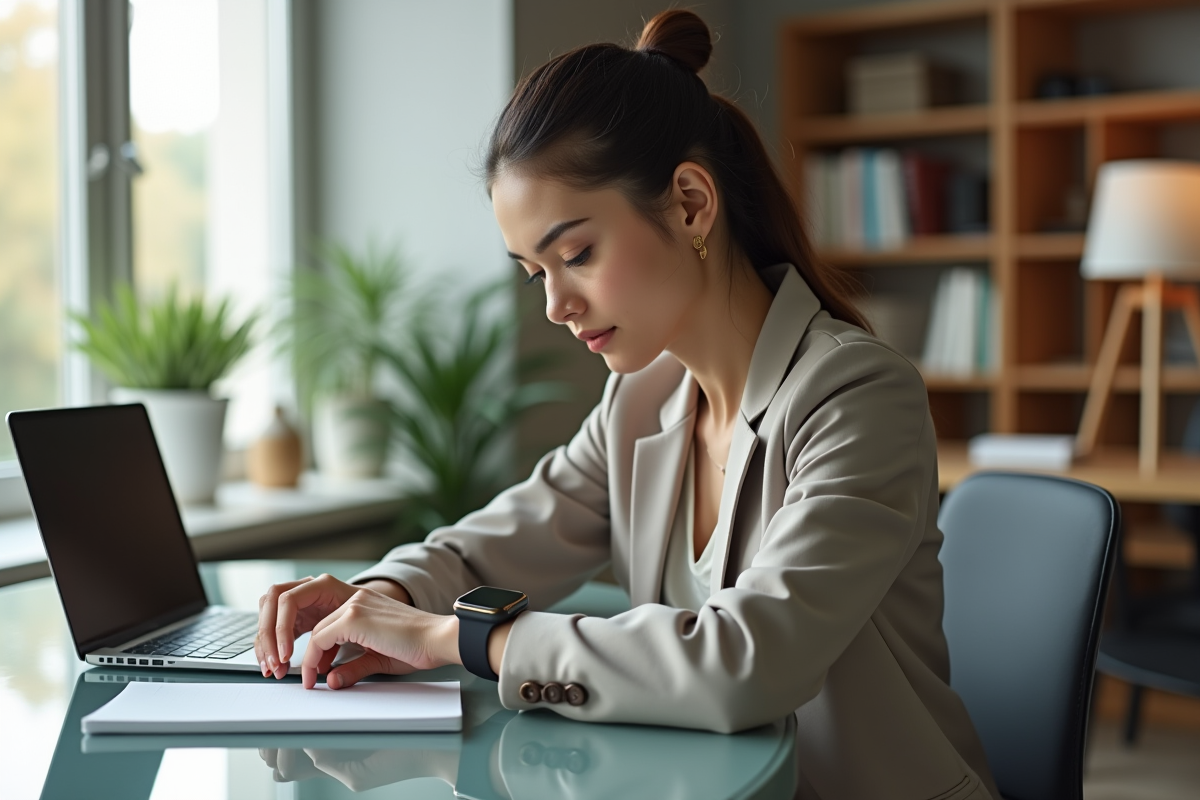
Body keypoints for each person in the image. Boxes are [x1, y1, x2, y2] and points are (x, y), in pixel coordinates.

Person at [255, 10, 999, 800]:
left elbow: (744, 661)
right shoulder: (641, 400)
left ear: (688, 203)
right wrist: (382, 598)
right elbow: (488, 551)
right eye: (534, 271)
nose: (555, 305)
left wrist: (454, 637)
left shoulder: (855, 396)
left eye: (576, 254)